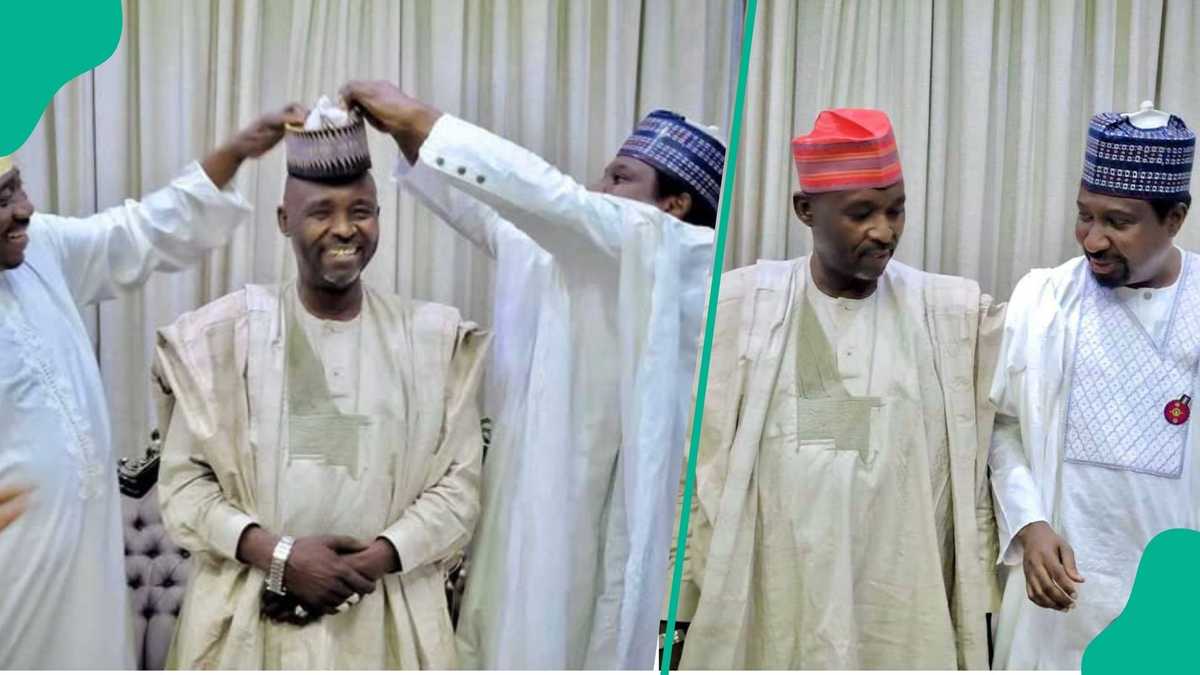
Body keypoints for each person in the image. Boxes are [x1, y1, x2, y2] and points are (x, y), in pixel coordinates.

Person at [339, 80, 722, 669]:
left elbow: (554, 201)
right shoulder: (574, 254)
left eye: (620, 178)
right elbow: (495, 215)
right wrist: (412, 141)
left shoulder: (672, 253)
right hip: (522, 509)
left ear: (675, 204)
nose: (599, 189)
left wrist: (421, 118)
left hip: (595, 523)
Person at [155, 103, 489, 669]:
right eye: (320, 212)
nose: (343, 229)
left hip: (389, 619)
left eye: (361, 211)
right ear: (284, 219)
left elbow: (459, 488)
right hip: (249, 618)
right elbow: (185, 486)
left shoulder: (430, 340)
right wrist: (281, 558)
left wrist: (369, 563)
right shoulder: (223, 339)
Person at [671, 108, 1003, 669]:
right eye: (861, 213)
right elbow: (691, 468)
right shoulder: (741, 308)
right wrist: (676, 607)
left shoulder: (949, 315)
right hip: (770, 612)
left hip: (897, 614)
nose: (885, 231)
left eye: (896, 209)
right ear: (806, 210)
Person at [0, 106, 303, 669]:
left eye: (17, 186)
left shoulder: (41, 248)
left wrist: (237, 150)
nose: (24, 209)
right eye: (1, 199)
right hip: (14, 570)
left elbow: (140, 231)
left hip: (84, 563)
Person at [989, 107, 1198, 670]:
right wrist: (1030, 525)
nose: (1093, 239)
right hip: (1057, 603)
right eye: (1084, 215)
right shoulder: (1043, 300)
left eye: (1118, 221)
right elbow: (1003, 429)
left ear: (1175, 218)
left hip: (1178, 604)